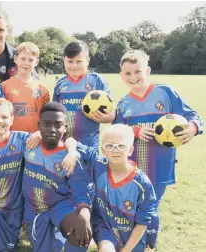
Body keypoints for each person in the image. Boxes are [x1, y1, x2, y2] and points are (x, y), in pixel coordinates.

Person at [0, 98, 78, 251]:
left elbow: (67, 139)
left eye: (5, 117)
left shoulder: (23, 140)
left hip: (12, 208)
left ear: (12, 119)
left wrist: (68, 149)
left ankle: (0, 231)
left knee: (4, 249)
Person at [113, 49, 203, 250]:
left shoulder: (166, 93)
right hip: (132, 166)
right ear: (121, 76)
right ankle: (130, 241)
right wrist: (135, 131)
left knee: (150, 208)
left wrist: (192, 128)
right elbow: (117, 132)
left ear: (148, 70)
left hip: (159, 166)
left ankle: (149, 245)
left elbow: (194, 116)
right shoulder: (124, 104)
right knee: (132, 206)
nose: (133, 77)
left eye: (138, 71)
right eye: (128, 73)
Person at [66, 124, 158, 252]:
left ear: (130, 150)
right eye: (110, 146)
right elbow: (71, 141)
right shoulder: (98, 164)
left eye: (121, 146)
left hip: (131, 234)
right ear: (103, 150)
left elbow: (143, 222)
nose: (115, 150)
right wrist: (71, 153)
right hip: (104, 226)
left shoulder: (142, 184)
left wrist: (126, 250)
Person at [22, 102, 93, 252]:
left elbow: (80, 190)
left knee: (81, 234)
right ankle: (57, 239)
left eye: (58, 125)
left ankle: (62, 234)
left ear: (65, 128)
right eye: (46, 124)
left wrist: (84, 214)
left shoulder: (70, 157)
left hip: (60, 206)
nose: (52, 129)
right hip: (35, 210)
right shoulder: (27, 144)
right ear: (39, 125)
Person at [53, 40, 112, 149]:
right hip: (63, 144)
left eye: (79, 61)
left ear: (87, 61)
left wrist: (107, 118)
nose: (74, 66)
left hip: (89, 145)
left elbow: (111, 114)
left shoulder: (97, 81)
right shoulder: (60, 84)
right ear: (64, 61)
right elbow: (54, 113)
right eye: (70, 61)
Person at [1, 42, 50, 133]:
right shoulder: (4, 86)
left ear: (36, 62)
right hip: (11, 139)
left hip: (35, 139)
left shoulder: (42, 88)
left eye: (30, 60)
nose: (26, 63)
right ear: (15, 59)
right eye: (23, 59)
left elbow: (47, 115)